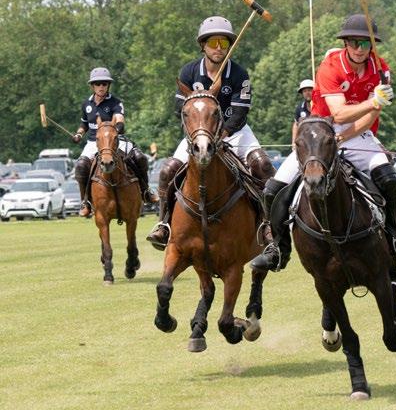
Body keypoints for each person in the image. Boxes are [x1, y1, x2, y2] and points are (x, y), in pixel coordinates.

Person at [250, 13, 396, 272]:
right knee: (273, 190)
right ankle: (278, 249)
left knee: (388, 178)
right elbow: (338, 114)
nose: (360, 49)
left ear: (372, 45)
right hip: (320, 131)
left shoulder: (380, 69)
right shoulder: (330, 67)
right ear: (345, 43)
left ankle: (394, 237)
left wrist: (347, 133)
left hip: (358, 133)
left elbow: (370, 118)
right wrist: (373, 102)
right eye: (354, 42)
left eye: (365, 43)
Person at [147, 16, 275, 250]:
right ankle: (163, 224)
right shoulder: (189, 72)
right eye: (213, 43)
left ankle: (267, 224)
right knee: (167, 171)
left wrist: (221, 134)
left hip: (233, 132)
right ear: (203, 45)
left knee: (264, 166)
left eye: (223, 43)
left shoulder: (239, 74)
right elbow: (179, 109)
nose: (218, 48)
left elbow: (240, 113)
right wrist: (200, 130)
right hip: (198, 133)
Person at [72, 67, 158, 217]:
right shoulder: (86, 104)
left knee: (140, 157)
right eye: (97, 84)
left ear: (108, 85)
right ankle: (85, 202)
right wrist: (79, 134)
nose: (101, 87)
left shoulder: (115, 102)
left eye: (104, 84)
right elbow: (84, 124)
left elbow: (119, 120)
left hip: (115, 140)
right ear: (92, 86)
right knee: (80, 166)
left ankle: (146, 191)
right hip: (93, 142)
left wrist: (117, 129)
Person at [291, 79, 314, 148]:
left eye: (309, 90)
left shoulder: (322, 106)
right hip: (304, 143)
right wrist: (294, 142)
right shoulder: (299, 108)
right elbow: (296, 124)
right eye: (304, 91)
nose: (307, 93)